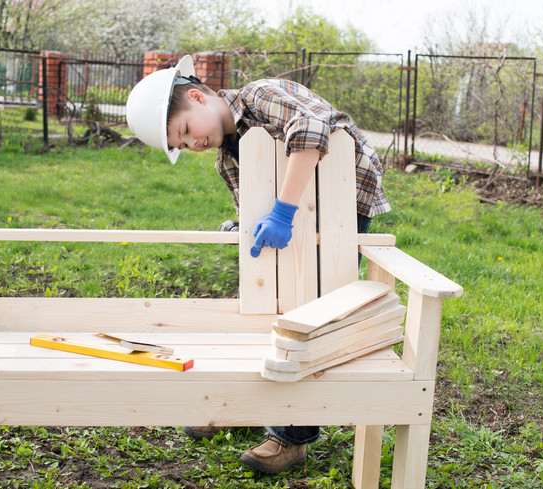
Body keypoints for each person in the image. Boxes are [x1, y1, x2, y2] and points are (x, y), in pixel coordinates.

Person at [126, 55, 390, 475]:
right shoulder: (226, 160)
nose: (192, 144)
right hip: (296, 218)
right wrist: (248, 223)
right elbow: (253, 204)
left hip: (342, 206)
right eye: (181, 145)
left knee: (312, 313)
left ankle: (292, 437)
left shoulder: (260, 95)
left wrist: (283, 212)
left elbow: (313, 127)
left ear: (197, 97)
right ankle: (247, 400)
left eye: (185, 131)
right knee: (260, 298)